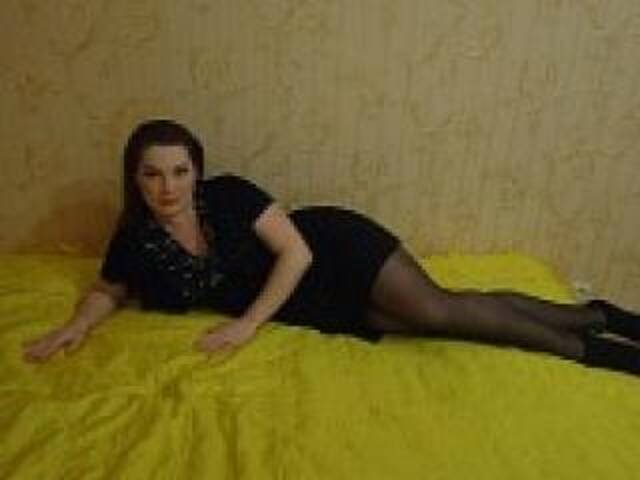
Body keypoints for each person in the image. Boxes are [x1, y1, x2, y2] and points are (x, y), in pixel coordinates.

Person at [23, 119, 640, 377]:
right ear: (134, 178)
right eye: (153, 174)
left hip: (332, 250)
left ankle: (598, 347)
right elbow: (109, 288)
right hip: (312, 307)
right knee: (449, 317)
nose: (168, 187)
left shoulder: (229, 194)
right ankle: (597, 315)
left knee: (440, 310)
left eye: (180, 172)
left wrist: (247, 324)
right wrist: (76, 326)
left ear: (197, 171)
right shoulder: (135, 240)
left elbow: (296, 253)